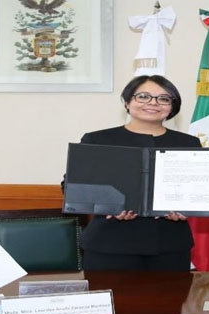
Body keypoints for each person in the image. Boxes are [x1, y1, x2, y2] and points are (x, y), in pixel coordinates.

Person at [73, 75, 201, 270]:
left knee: (171, 292)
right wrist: (109, 206)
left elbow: (196, 189)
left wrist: (186, 208)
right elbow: (73, 186)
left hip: (170, 247)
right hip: (109, 245)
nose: (153, 103)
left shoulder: (188, 143)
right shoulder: (97, 140)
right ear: (127, 102)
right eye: (143, 96)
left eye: (163, 98)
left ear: (172, 106)